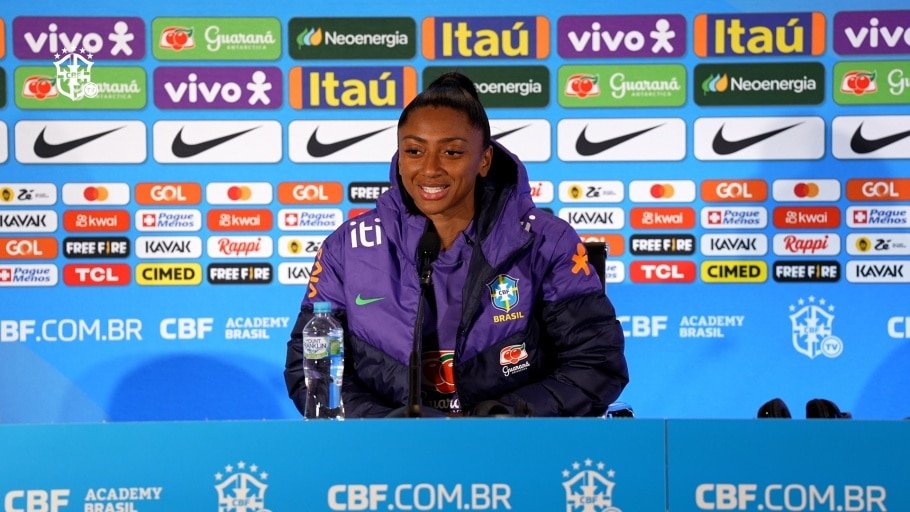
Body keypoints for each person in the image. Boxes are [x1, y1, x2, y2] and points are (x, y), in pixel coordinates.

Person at [285, 72, 628, 417]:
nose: (430, 168)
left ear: (484, 160)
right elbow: (310, 370)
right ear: (400, 158)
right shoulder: (347, 247)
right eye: (415, 151)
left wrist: (501, 418)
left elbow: (596, 364)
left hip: (514, 450)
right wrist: (386, 424)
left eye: (452, 152)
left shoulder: (546, 242)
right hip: (387, 455)